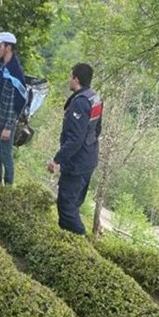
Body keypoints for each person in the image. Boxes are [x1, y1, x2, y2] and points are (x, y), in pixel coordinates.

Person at [47, 63, 103, 235]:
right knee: (73, 204)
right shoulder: (95, 98)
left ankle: (80, 243)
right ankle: (68, 243)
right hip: (89, 158)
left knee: (66, 207)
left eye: (70, 76)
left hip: (78, 163)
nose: (68, 80)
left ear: (76, 79)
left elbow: (75, 140)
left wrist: (57, 159)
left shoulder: (80, 103)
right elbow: (97, 129)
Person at [0, 31, 28, 186]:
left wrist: (8, 127)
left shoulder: (15, 73)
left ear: (8, 47)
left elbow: (15, 104)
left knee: (6, 156)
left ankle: (8, 188)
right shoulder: (0, 66)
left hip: (6, 122)